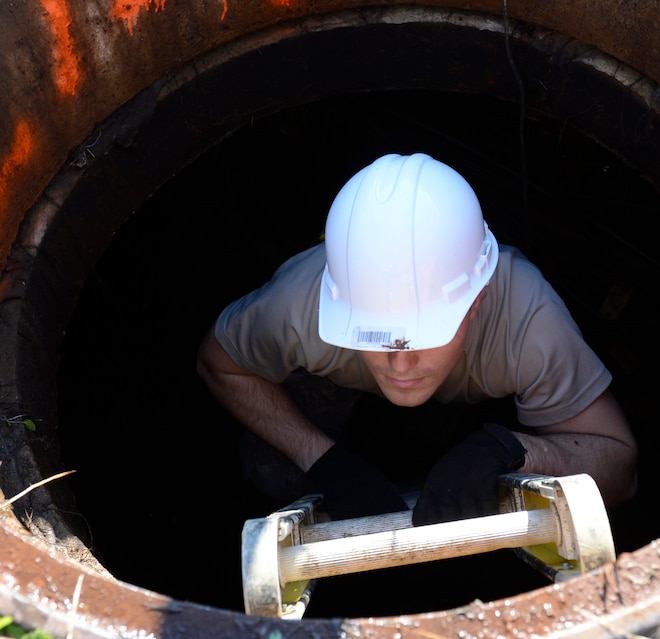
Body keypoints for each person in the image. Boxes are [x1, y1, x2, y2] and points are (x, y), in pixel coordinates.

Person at [196, 152, 637, 525]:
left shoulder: (527, 315)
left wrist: (518, 450)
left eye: (427, 334)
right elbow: (218, 363)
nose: (400, 364)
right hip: (337, 390)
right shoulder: (299, 303)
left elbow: (621, 469)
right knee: (273, 472)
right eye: (372, 335)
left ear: (478, 299)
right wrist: (321, 459)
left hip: (483, 405)